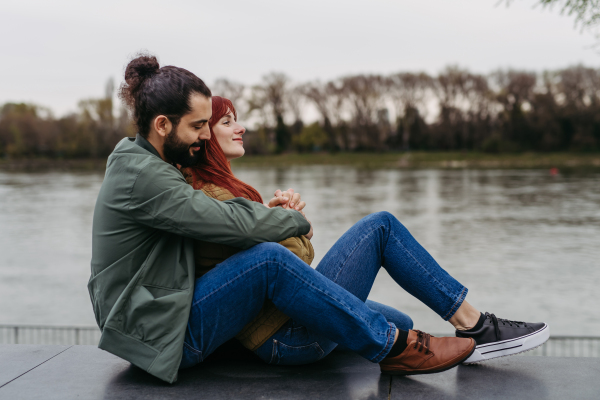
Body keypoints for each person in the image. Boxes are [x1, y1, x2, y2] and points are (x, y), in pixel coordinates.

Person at [88, 55, 548, 384]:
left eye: (213, 123)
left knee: (397, 312)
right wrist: (293, 224)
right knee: (280, 258)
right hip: (162, 334)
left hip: (169, 322)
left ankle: (439, 334)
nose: (207, 135)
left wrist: (269, 217)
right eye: (200, 126)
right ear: (162, 125)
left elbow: (229, 224)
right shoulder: (144, 176)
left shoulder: (154, 167)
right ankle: (407, 346)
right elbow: (231, 228)